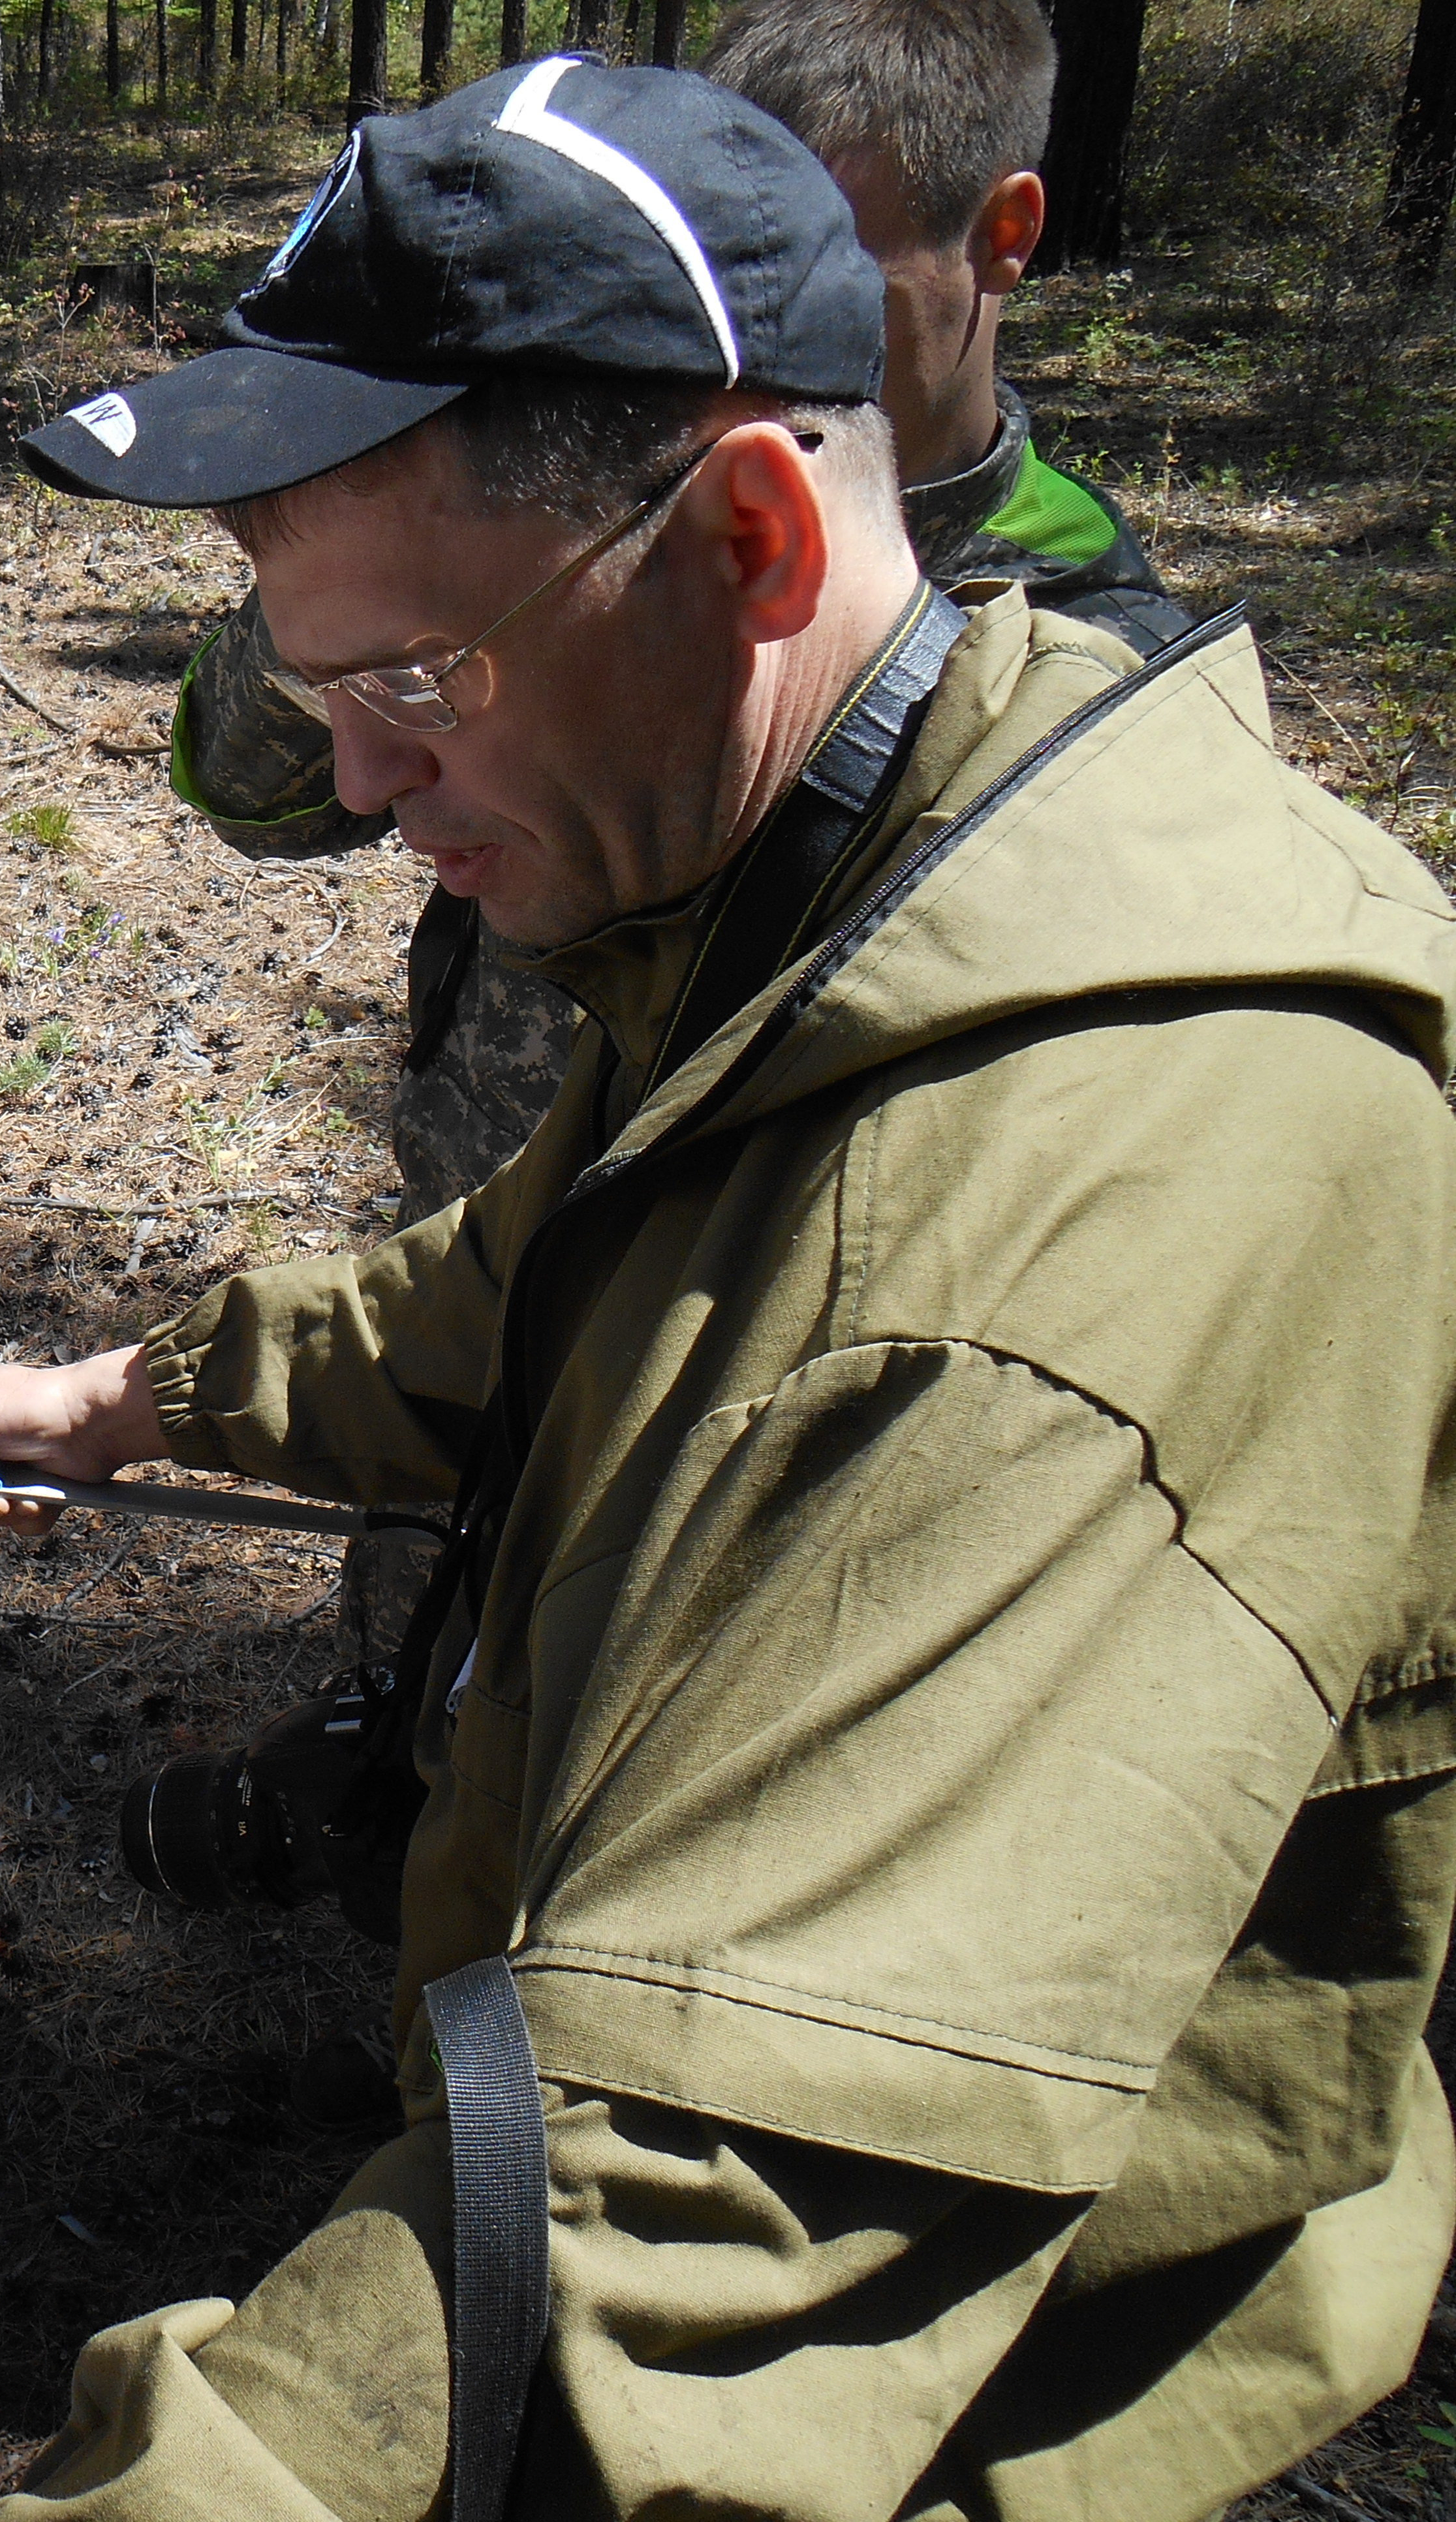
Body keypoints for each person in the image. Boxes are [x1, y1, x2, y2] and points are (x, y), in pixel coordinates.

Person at [0, 58, 1456, 2515]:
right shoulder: (857, 878)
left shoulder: (1057, 1226)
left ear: (745, 533)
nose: (362, 786)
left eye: (412, 678)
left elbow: (675, 2248)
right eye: (312, 690)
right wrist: (142, 1389)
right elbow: (559, 1270)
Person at [159, 0, 1202, 1862]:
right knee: (469, 1562)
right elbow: (254, 787)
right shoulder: (512, 526)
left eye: (833, 247)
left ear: (1000, 241)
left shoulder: (1075, 682)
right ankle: (410, 1753)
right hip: (530, 1200)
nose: (739, 301)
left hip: (738, 1304)